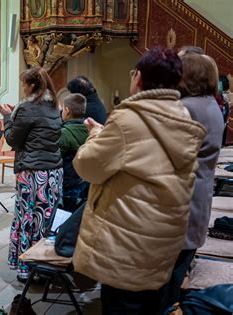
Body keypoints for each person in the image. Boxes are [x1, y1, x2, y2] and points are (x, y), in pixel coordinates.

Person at [72, 48, 206, 314]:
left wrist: (96, 135)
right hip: (161, 245)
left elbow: (87, 167)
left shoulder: (129, 119)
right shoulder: (183, 117)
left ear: (139, 77)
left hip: (126, 250)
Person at [159, 52, 224, 310]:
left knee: (166, 279)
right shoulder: (209, 103)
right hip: (197, 197)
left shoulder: (186, 108)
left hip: (182, 200)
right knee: (177, 270)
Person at [0, 67, 63, 282]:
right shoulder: (55, 105)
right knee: (46, 220)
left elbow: (14, 140)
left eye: (23, 83)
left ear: (32, 86)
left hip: (33, 173)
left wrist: (7, 117)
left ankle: (26, 269)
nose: (22, 87)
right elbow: (38, 127)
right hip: (53, 172)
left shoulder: (26, 109)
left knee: (27, 219)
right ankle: (45, 267)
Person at [59, 93, 89, 212]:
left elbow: (57, 158)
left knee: (65, 212)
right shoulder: (90, 129)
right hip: (83, 179)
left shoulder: (64, 133)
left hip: (67, 181)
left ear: (66, 111)